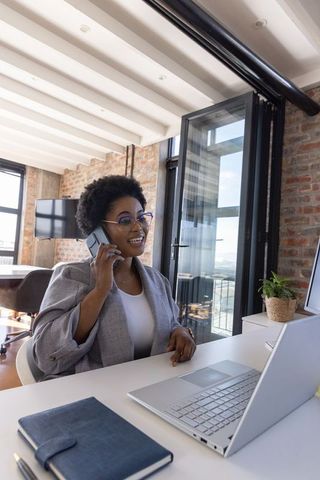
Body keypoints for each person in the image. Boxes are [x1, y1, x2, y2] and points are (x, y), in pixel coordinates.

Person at [32, 175, 196, 380]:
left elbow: (171, 323)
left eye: (142, 217)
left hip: (151, 387)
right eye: (125, 220)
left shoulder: (157, 280)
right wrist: (100, 290)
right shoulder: (72, 276)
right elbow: (45, 354)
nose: (139, 227)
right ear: (98, 232)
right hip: (94, 393)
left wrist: (180, 332)